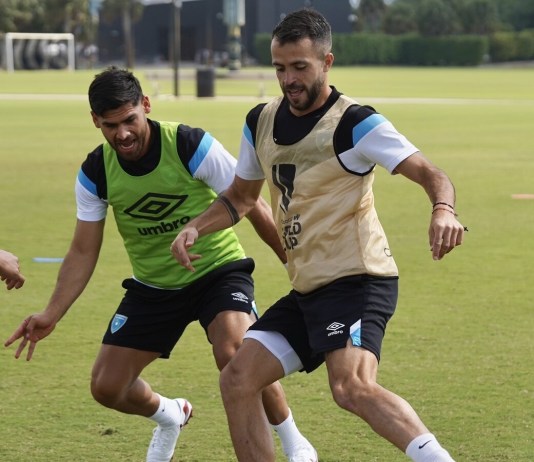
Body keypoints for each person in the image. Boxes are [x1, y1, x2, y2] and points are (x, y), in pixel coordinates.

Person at [171, 8, 466, 462]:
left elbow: (430, 172)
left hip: (358, 280)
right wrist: (196, 226)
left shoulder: (355, 123)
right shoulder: (260, 121)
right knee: (237, 378)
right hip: (309, 289)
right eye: (279, 68)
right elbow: (242, 197)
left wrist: (443, 209)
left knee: (350, 386)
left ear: (327, 62)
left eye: (299, 67)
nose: (288, 79)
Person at [4, 66, 317, 462]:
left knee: (236, 352)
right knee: (107, 386)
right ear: (95, 121)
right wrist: (52, 313)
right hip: (154, 286)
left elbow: (250, 202)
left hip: (217, 271)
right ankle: (171, 414)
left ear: (145, 106)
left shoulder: (188, 144)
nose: (122, 134)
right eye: (110, 125)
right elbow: (83, 251)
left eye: (130, 120)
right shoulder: (95, 172)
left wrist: (294, 265)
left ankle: (293, 441)